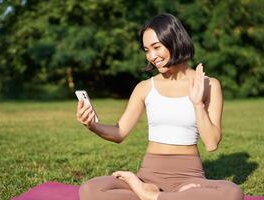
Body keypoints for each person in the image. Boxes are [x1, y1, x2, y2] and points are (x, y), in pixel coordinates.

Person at [76, 13, 244, 200]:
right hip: (148, 177)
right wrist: (92, 125)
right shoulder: (144, 88)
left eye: (156, 47)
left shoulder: (209, 85)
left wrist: (197, 104)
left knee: (232, 193)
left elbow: (212, 143)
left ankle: (150, 197)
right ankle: (153, 193)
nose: (152, 56)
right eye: (147, 50)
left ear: (175, 40)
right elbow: (119, 133)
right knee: (90, 189)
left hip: (189, 180)